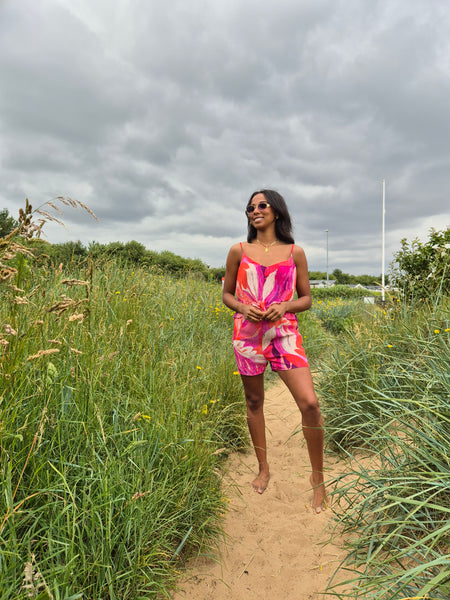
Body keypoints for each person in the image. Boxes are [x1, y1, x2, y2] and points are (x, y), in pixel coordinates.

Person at [222, 189, 327, 513]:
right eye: (250, 207)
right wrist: (242, 306)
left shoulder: (295, 252)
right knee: (254, 402)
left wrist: (285, 306)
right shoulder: (238, 251)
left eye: (262, 205)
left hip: (284, 336)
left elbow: (306, 299)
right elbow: (226, 294)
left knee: (309, 403)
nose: (255, 210)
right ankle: (263, 468)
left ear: (277, 212)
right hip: (248, 336)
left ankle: (318, 479)